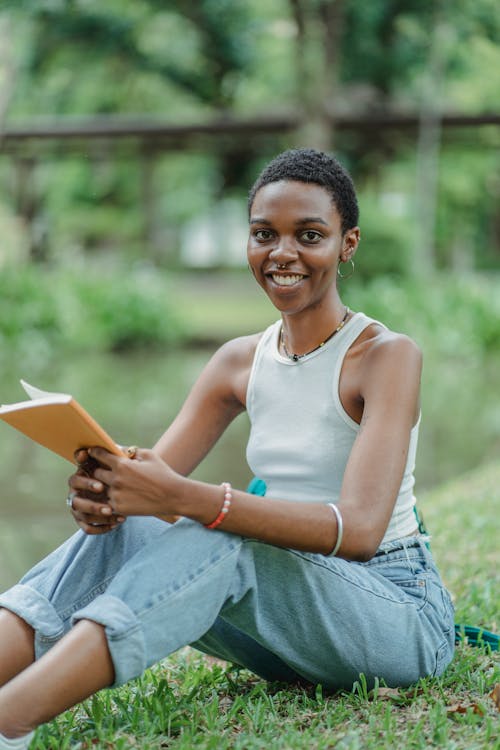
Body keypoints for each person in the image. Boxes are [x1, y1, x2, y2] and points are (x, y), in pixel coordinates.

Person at [0, 148, 455, 749]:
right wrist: (107, 499)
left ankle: (10, 720)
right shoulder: (239, 361)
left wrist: (189, 498)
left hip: (395, 615)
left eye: (310, 235)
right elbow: (156, 484)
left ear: (348, 245)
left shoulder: (385, 356)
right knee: (122, 534)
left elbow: (363, 529)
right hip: (288, 631)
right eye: (264, 234)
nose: (283, 253)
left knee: (226, 531)